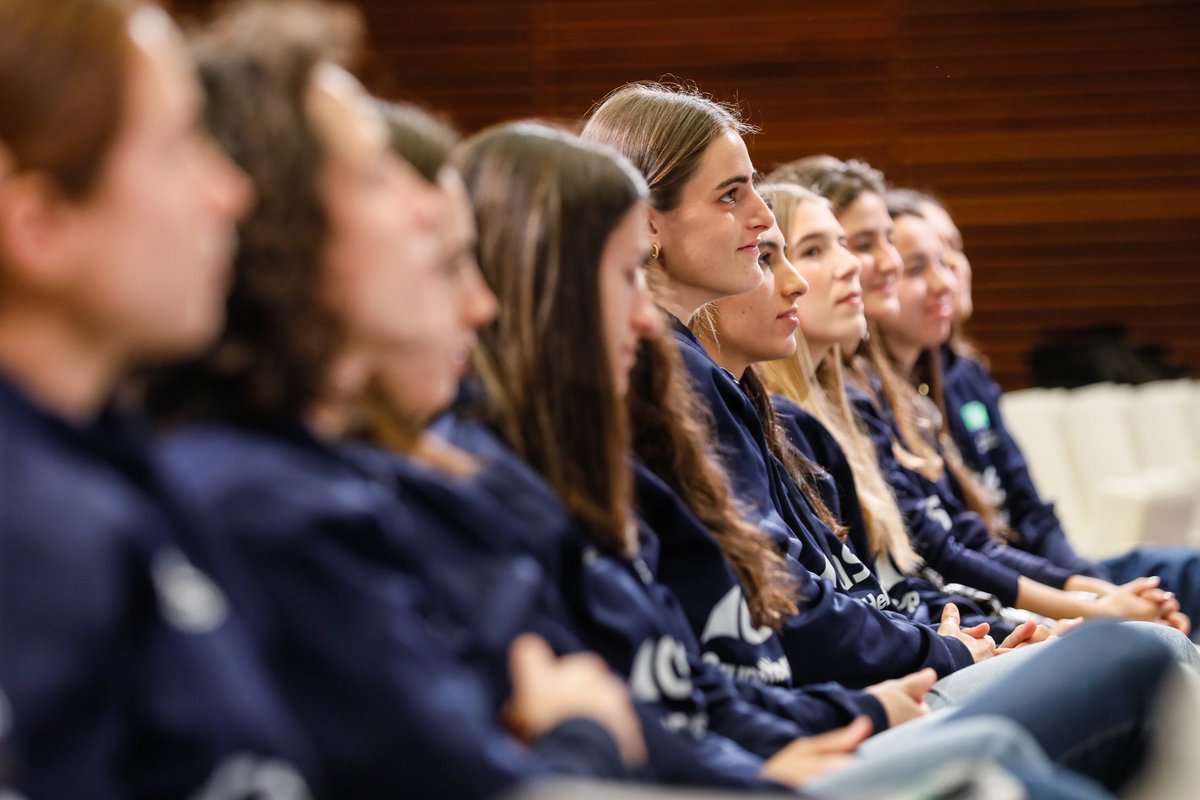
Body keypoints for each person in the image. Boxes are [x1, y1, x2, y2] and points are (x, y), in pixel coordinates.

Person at [147, 3, 642, 797]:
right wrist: (579, 734)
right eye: (377, 174)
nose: (423, 209)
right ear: (284, 217)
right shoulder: (264, 501)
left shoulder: (313, 474)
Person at [0, 0, 318, 796]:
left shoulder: (112, 464)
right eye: (182, 147)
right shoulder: (33, 543)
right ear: (40, 223)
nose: (232, 194)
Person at [913, 188, 1200, 641]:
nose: (947, 274)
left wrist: (1096, 586)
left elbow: (1032, 511)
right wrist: (1097, 600)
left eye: (952, 251)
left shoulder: (967, 373)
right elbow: (959, 551)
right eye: (919, 263)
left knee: (1188, 573)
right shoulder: (888, 401)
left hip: (1048, 574)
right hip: (999, 596)